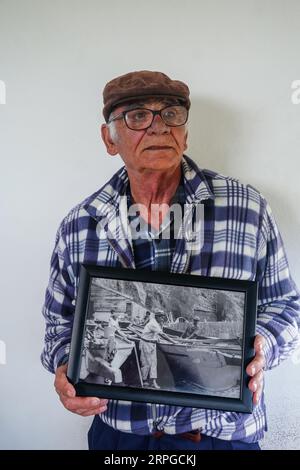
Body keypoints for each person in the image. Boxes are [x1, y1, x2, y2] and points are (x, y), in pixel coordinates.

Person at [42, 70, 300, 450]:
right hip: (121, 438)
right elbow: (58, 324)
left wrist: (263, 346)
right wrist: (68, 367)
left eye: (171, 114)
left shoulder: (247, 208)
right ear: (108, 139)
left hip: (222, 436)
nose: (159, 127)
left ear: (185, 133)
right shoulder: (80, 225)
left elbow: (285, 308)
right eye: (137, 116)